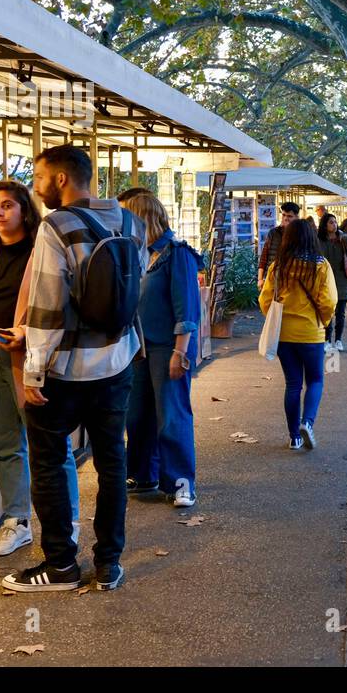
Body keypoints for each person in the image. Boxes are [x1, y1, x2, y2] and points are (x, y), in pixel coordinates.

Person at [3, 145, 145, 594]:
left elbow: (47, 305)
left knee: (48, 464)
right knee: (111, 463)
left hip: (65, 373)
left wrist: (33, 370)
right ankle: (109, 565)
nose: (36, 186)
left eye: (39, 176)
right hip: (117, 364)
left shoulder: (57, 225)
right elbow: (131, 291)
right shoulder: (130, 221)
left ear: (61, 179)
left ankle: (61, 565)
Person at [0, 180, 79, 557]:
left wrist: (25, 332)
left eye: (7, 205)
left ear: (24, 208)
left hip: (31, 359)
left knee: (50, 446)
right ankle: (17, 521)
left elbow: (63, 304)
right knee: (4, 445)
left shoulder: (44, 250)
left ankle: (65, 522)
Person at [122, 191, 202, 508]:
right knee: (137, 414)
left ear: (142, 217)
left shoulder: (176, 253)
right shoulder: (138, 253)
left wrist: (180, 352)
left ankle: (180, 482)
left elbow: (187, 310)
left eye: (126, 215)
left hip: (168, 347)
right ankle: (143, 474)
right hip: (137, 348)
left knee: (172, 415)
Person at [260, 218, 337, 450]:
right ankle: (307, 423)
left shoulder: (278, 266)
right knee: (315, 380)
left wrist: (274, 320)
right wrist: (322, 321)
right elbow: (329, 300)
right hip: (311, 333)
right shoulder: (321, 265)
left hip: (284, 334)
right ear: (311, 238)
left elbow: (265, 300)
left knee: (293, 383)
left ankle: (294, 436)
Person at [319, 213, 347, 352]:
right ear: (325, 225)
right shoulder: (319, 240)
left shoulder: (342, 238)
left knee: (340, 313)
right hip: (325, 281)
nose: (334, 224)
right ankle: (327, 340)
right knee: (327, 312)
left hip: (342, 280)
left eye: (335, 222)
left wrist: (346, 238)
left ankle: (338, 340)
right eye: (331, 222)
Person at [257, 201, 299, 288]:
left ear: (296, 217)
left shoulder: (300, 234)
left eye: (289, 216)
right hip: (270, 278)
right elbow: (264, 256)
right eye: (284, 215)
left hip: (291, 280)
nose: (286, 218)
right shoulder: (273, 232)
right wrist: (260, 279)